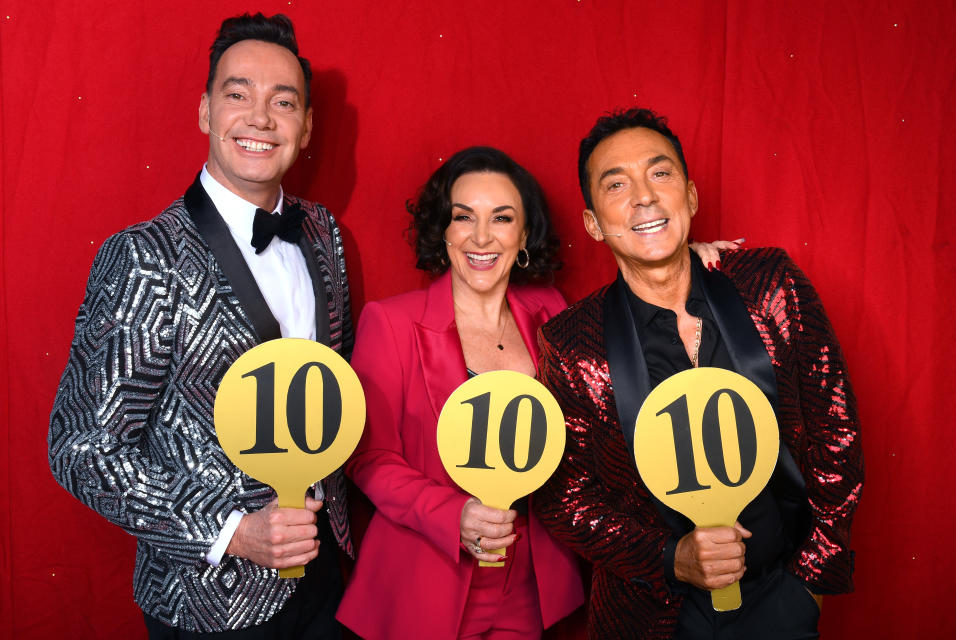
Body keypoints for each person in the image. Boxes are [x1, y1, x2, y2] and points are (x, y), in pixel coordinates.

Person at [48, 13, 352, 638]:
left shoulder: (323, 235)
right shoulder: (143, 256)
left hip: (328, 574)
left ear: (307, 126)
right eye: (237, 95)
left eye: (283, 102)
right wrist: (233, 532)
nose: (260, 118)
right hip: (208, 601)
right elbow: (80, 446)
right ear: (206, 113)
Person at [533, 108, 863, 639]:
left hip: (778, 594)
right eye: (616, 184)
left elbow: (835, 431)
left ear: (689, 195)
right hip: (649, 615)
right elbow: (563, 496)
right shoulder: (572, 343)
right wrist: (668, 557)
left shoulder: (770, 285)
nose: (644, 195)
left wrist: (808, 585)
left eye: (659, 173)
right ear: (593, 222)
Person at [335, 146, 584, 639]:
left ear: (525, 233)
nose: (482, 237)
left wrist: (682, 264)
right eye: (463, 217)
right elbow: (369, 457)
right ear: (443, 230)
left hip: (530, 583)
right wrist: (454, 516)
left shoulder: (552, 311)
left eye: (502, 218)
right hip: (428, 579)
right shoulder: (392, 322)